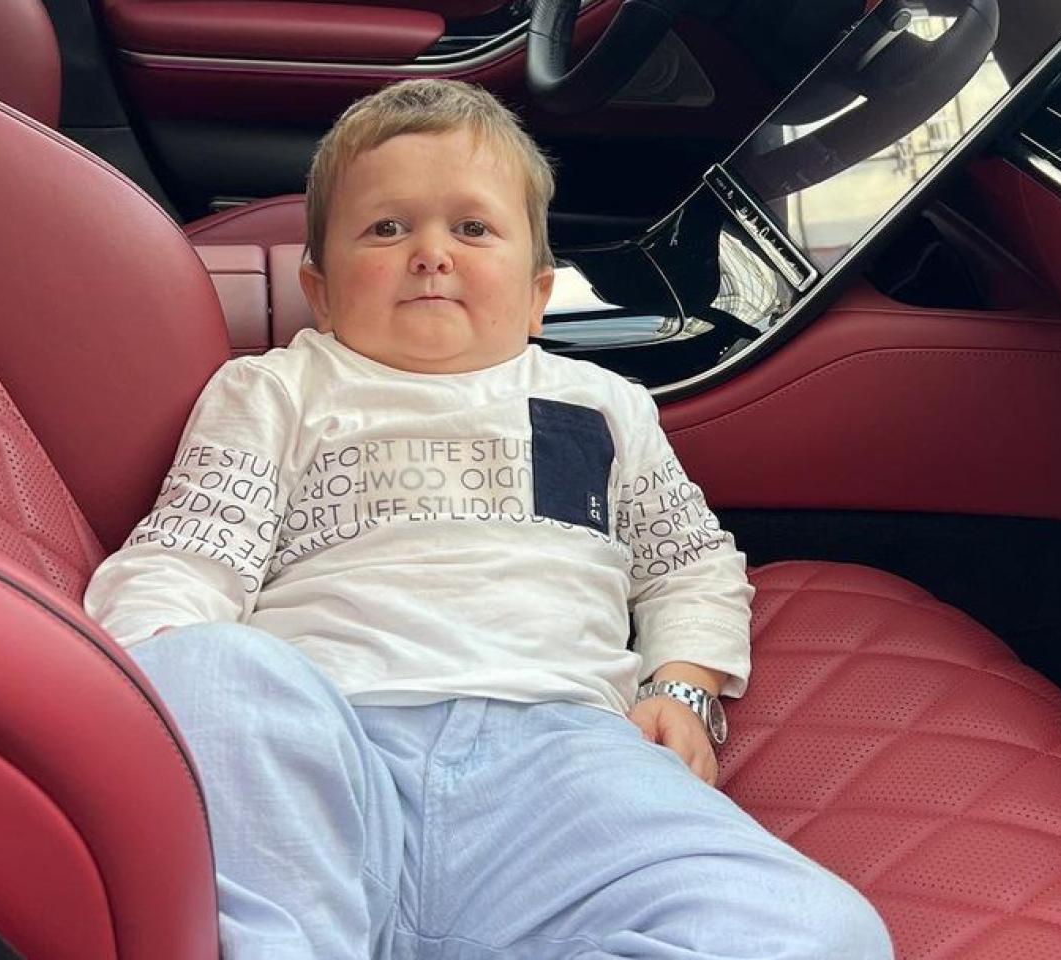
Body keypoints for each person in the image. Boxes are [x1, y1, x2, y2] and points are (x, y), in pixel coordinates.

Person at [84, 78, 891, 960]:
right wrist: (174, 675)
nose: (431, 254)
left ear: (539, 292)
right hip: (332, 751)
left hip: (564, 761)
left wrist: (682, 688)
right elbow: (188, 555)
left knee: (823, 932)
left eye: (472, 228)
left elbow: (688, 563)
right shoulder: (277, 389)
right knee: (209, 663)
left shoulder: (598, 403)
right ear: (320, 289)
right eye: (386, 229)